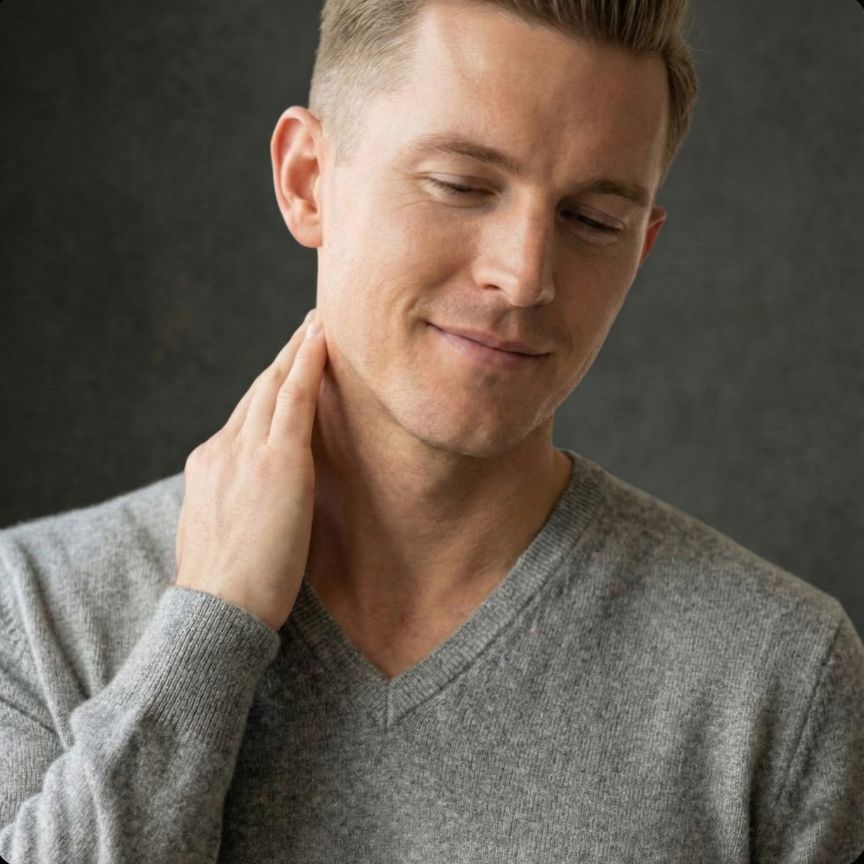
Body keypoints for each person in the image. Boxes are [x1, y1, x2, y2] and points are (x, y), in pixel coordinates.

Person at [1, 0, 862, 861]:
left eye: (593, 220)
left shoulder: (780, 676)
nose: (523, 277)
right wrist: (211, 627)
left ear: (640, 249)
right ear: (307, 179)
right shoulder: (36, 611)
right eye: (460, 185)